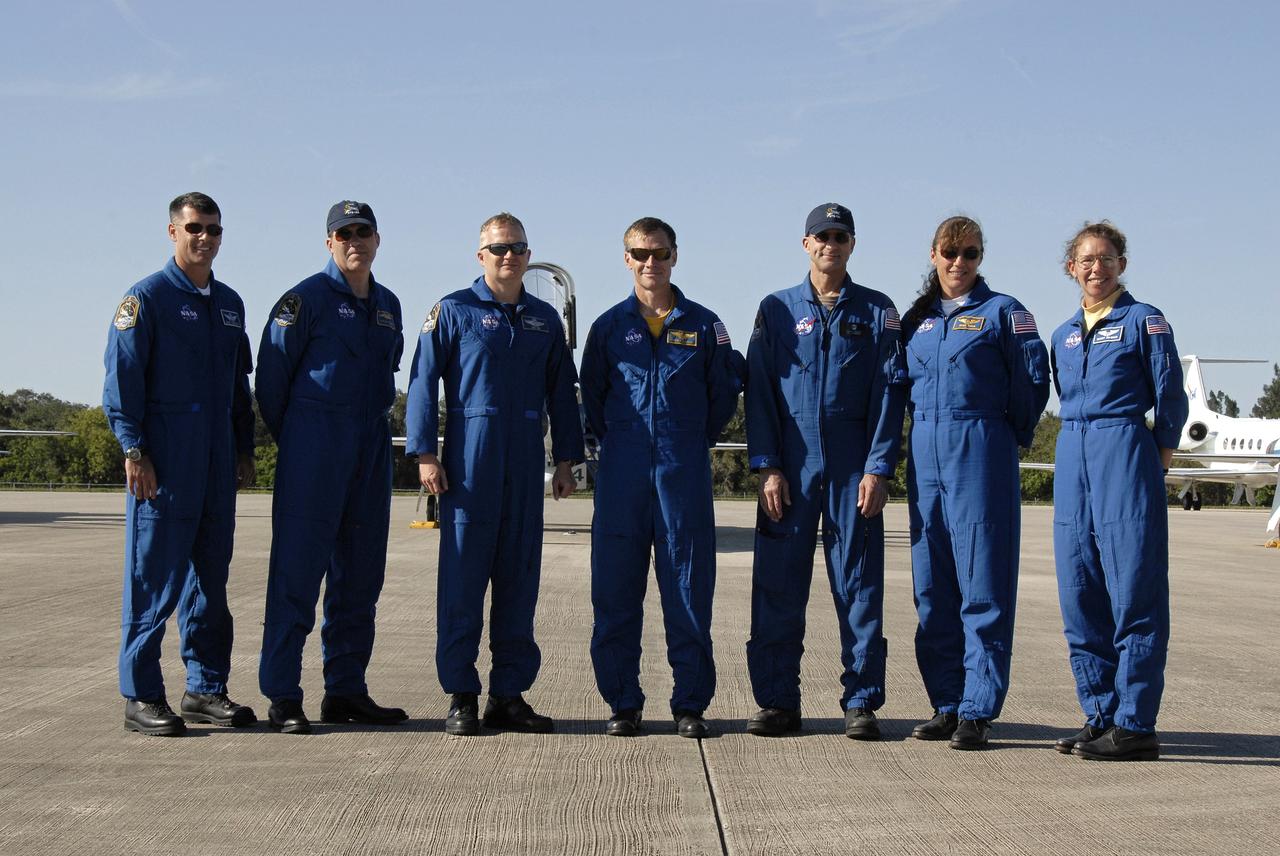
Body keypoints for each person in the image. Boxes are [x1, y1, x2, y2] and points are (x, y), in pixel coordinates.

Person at [405, 212, 584, 736]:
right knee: (462, 579)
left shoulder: (545, 321)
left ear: (529, 256)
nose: (509, 256)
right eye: (499, 248)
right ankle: (461, 693)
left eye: (518, 248)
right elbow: (421, 382)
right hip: (469, 462)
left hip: (526, 460)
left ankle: (508, 694)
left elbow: (562, 393)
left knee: (518, 579)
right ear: (480, 254)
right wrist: (424, 454)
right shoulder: (453, 310)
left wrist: (568, 459)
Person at [744, 202, 908, 739]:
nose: (830, 245)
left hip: (851, 464)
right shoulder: (777, 309)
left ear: (852, 245)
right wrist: (768, 465)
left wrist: (879, 467)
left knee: (858, 584)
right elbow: (761, 393)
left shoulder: (878, 310)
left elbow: (891, 392)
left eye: (840, 236)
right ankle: (777, 702)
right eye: (821, 237)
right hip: (792, 462)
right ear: (806, 244)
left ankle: (860, 700)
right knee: (777, 585)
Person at [579, 218, 743, 739]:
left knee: (689, 591)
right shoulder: (608, 328)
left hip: (681, 472)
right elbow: (594, 400)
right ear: (626, 258)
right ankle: (623, 703)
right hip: (622, 474)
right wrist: (625, 442)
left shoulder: (706, 325)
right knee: (614, 594)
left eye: (661, 253)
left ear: (676, 256)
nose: (652, 263)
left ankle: (689, 703)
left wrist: (689, 438)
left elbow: (723, 395)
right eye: (640, 253)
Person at [103, 192, 257, 736]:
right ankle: (141, 694)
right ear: (173, 233)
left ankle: (205, 688)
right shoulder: (146, 300)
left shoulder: (232, 304)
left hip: (216, 465)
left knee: (210, 584)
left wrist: (243, 451)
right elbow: (122, 383)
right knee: (153, 582)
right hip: (164, 463)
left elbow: (240, 388)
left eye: (213, 229)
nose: (204, 238)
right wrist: (134, 449)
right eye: (194, 228)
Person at [255, 201, 407, 734]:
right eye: (344, 233)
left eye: (363, 231)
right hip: (313, 450)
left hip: (368, 448)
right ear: (329, 242)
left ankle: (346, 690)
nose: (354, 241)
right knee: (296, 575)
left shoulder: (387, 305)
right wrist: (300, 439)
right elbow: (270, 382)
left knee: (361, 577)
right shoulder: (304, 301)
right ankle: (283, 694)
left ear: (377, 239)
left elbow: (388, 369)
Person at [900, 216, 1050, 750]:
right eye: (949, 251)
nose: (958, 262)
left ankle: (978, 708)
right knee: (932, 585)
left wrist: (1006, 435)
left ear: (980, 258)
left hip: (980, 450)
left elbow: (1033, 381)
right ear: (933, 253)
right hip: (925, 457)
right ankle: (945, 701)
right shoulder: (915, 320)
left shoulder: (1005, 313)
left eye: (970, 253)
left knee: (983, 582)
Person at [1049, 221, 1187, 762]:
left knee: (1134, 592)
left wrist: (1157, 458)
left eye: (1106, 259)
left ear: (1121, 265)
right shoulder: (1062, 333)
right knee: (1079, 591)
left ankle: (1135, 724)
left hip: (1125, 450)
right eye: (1086, 259)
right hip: (1073, 452)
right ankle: (1100, 713)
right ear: (1071, 268)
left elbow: (1170, 397)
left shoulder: (1144, 322)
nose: (1095, 268)